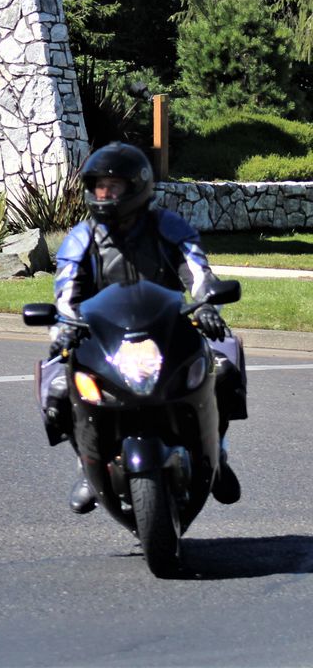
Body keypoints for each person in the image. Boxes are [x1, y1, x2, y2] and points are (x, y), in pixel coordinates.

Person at [47, 141, 246, 514]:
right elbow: (66, 293)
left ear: (137, 186)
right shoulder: (80, 238)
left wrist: (206, 307)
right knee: (57, 387)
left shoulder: (169, 227)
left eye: (114, 186)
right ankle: (87, 465)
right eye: (98, 186)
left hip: (169, 328)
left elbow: (199, 274)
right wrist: (65, 328)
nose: (104, 194)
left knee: (226, 367)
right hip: (101, 337)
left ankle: (217, 453)